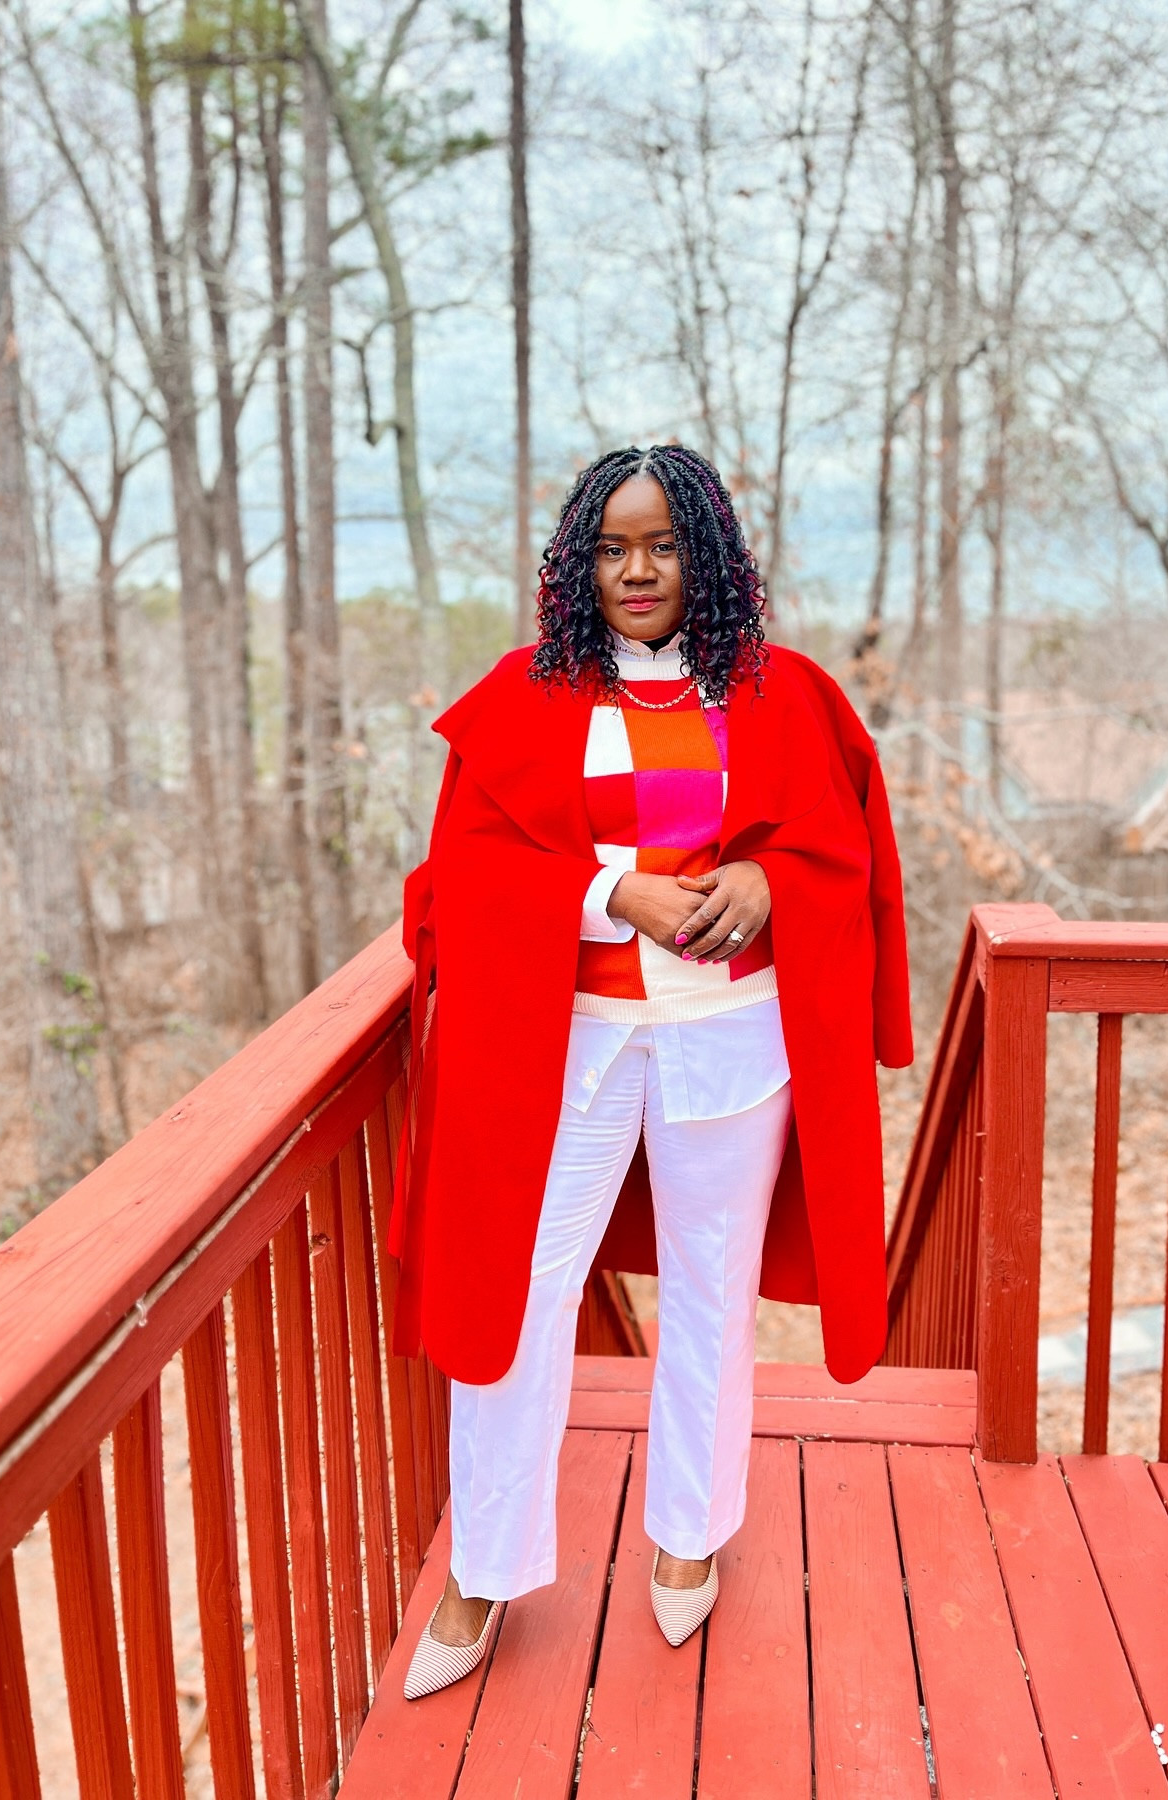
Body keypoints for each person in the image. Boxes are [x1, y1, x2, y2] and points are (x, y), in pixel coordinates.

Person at [388, 444, 912, 1699]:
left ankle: (688, 1537)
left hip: (733, 1044)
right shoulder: (525, 695)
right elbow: (459, 879)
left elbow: (847, 854)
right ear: (580, 558)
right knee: (522, 1293)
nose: (638, 569)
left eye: (665, 544)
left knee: (713, 1294)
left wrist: (773, 878)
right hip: (560, 1047)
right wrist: (604, 890)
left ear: (709, 555)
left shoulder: (782, 694)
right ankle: (486, 1566)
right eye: (613, 546)